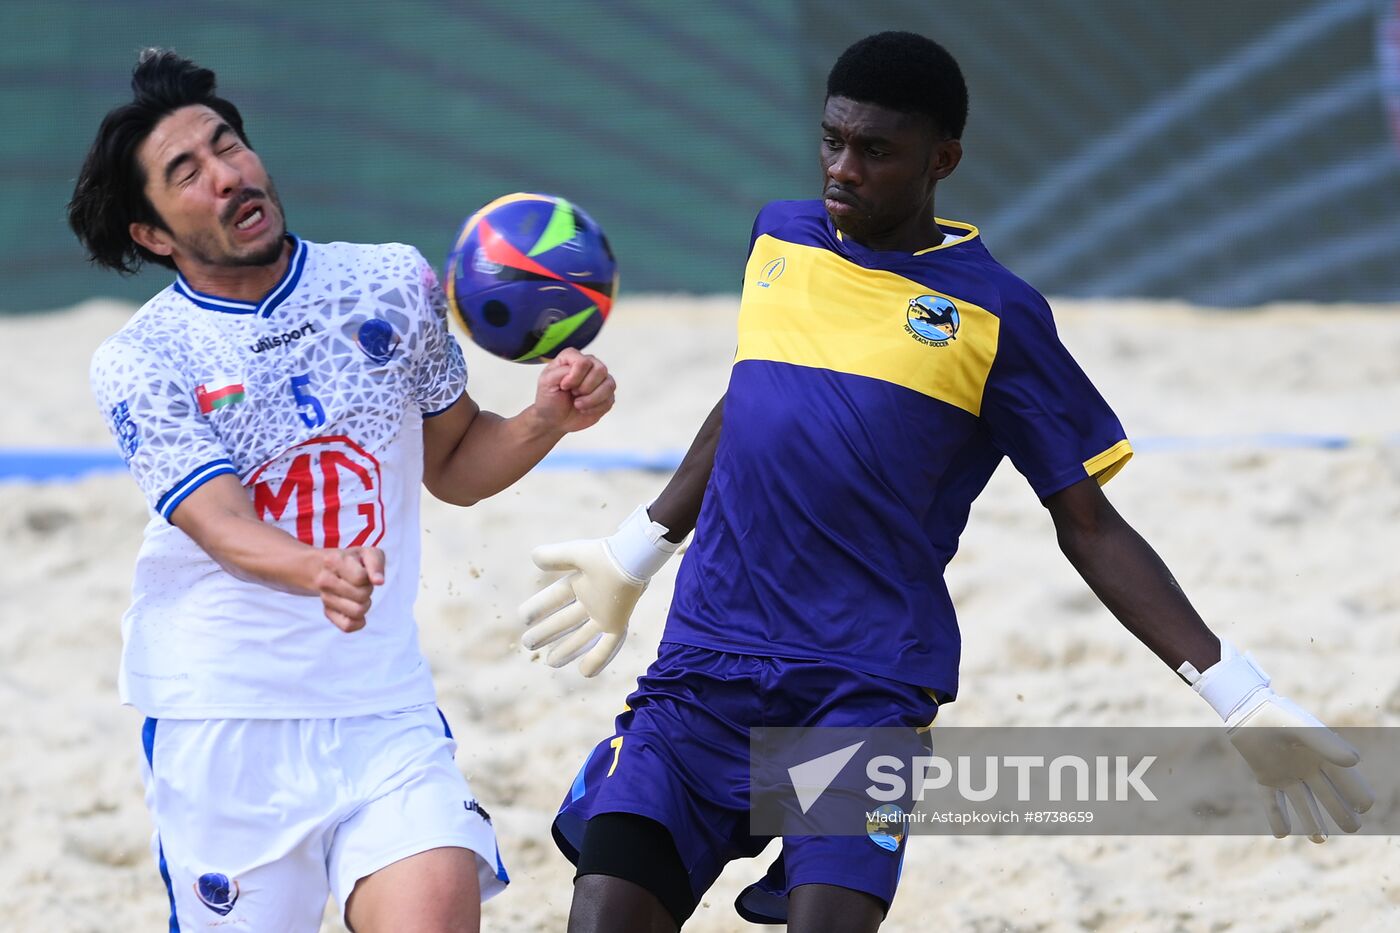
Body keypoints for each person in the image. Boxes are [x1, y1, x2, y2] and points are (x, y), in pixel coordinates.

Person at [518, 31, 1373, 933]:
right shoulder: (779, 237)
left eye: (874, 150)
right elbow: (755, 395)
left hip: (863, 690)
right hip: (703, 668)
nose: (841, 169)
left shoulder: (998, 313)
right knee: (605, 911)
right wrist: (639, 545)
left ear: (943, 160)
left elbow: (1090, 524)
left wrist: (1237, 693)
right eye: (831, 140)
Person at [69, 49, 615, 933]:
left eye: (228, 144)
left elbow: (458, 461)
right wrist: (313, 567)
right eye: (187, 173)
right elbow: (220, 524)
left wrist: (546, 417)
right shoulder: (141, 357)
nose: (228, 174)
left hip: (381, 705)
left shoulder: (390, 280)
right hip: (225, 721)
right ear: (153, 235)